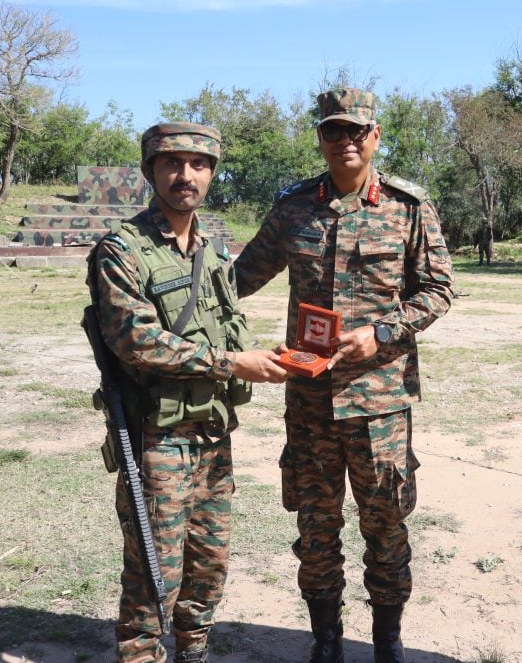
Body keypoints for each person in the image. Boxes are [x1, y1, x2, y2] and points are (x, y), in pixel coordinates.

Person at [234, 88, 454, 663]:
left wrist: (381, 332)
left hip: (378, 402)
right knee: (316, 529)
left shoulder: (408, 208)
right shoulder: (294, 208)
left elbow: (438, 290)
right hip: (309, 401)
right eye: (335, 131)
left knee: (385, 525)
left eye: (358, 131)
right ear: (321, 139)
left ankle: (387, 642)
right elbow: (240, 278)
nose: (346, 141)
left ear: (376, 137)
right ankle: (326, 641)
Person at [86, 122, 288, 663]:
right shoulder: (121, 251)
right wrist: (231, 362)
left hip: (213, 435)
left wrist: (266, 355)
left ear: (212, 174)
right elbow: (138, 342)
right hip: (156, 441)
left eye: (199, 165)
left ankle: (194, 652)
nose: (185, 175)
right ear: (151, 170)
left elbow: (227, 326)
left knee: (209, 563)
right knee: (155, 574)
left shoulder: (214, 252)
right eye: (172, 163)